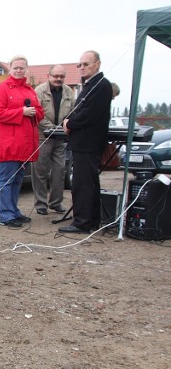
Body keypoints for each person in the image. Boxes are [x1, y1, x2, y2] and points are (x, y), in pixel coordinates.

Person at [58, 51, 113, 234]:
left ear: (97, 64)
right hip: (82, 142)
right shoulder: (89, 85)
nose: (81, 67)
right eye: (79, 64)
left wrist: (70, 123)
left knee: (83, 183)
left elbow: (89, 113)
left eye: (86, 64)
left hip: (88, 142)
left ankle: (82, 222)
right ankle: (89, 220)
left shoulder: (101, 85)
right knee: (85, 182)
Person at [0, 55, 44, 228]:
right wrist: (21, 112)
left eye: (22, 68)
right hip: (9, 144)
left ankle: (13, 211)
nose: (19, 70)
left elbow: (39, 112)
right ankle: (5, 215)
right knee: (6, 179)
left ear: (26, 69)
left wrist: (34, 113)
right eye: (16, 68)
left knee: (17, 179)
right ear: (10, 69)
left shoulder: (30, 90)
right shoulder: (3, 89)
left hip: (25, 145)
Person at [31, 65, 74, 215]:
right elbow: (37, 113)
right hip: (43, 136)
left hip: (60, 138)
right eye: (56, 76)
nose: (58, 79)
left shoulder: (69, 92)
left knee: (59, 171)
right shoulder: (39, 91)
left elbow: (73, 112)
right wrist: (52, 128)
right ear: (49, 76)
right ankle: (40, 204)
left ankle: (56, 203)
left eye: (61, 76)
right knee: (40, 171)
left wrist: (64, 128)